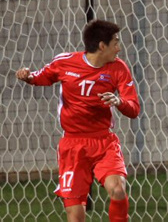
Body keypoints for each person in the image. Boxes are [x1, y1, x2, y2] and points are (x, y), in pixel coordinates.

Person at [16, 19, 140, 222]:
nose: (119, 48)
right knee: (76, 215)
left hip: (104, 142)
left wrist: (118, 102)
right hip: (73, 145)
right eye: (116, 42)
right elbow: (43, 76)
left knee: (118, 190)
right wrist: (28, 77)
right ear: (102, 46)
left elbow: (134, 109)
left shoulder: (119, 68)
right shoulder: (64, 62)